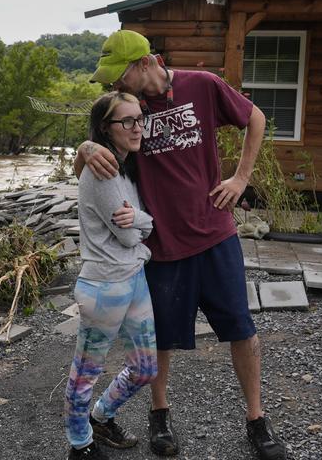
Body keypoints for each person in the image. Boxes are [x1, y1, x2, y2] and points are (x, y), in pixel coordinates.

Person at [74, 30, 287, 460]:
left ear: (147, 63)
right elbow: (89, 150)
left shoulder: (201, 85)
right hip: (162, 243)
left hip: (215, 234)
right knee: (163, 340)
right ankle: (160, 415)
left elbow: (255, 118)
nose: (116, 85)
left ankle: (257, 419)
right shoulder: (127, 112)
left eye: (121, 75)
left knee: (241, 329)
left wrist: (241, 177)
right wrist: (83, 147)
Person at [64, 91, 158, 460]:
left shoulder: (127, 167)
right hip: (104, 285)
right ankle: (79, 443)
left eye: (140, 119)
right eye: (127, 121)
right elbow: (128, 234)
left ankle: (102, 416)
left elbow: (139, 224)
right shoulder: (102, 171)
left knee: (146, 368)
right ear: (106, 127)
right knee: (85, 372)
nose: (138, 128)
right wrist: (143, 223)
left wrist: (140, 219)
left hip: (134, 277)